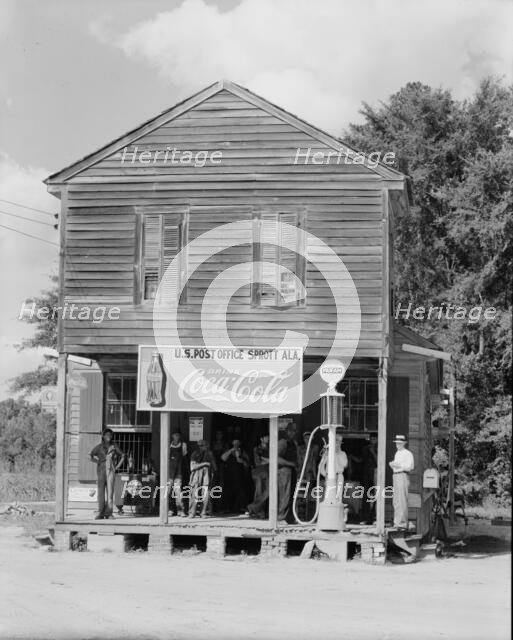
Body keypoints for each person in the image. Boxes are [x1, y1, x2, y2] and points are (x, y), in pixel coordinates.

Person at [89, 428, 124, 520]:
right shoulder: (99, 447)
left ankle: (109, 513)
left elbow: (123, 456)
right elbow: (89, 455)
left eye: (110, 435)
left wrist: (117, 467)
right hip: (100, 471)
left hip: (110, 471)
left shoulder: (114, 446)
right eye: (107, 435)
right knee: (100, 493)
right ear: (103, 436)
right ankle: (100, 513)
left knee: (110, 492)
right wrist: (97, 461)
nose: (109, 436)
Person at [389, 434, 414, 529]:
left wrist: (399, 466)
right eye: (396, 443)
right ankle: (397, 522)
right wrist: (393, 465)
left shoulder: (407, 453)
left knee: (402, 500)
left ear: (404, 443)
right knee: (396, 500)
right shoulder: (397, 453)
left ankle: (402, 523)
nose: (397, 445)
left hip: (403, 475)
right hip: (396, 475)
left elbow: (410, 467)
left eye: (399, 443)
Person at [221, 439, 251, 513]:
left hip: (240, 474)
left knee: (240, 491)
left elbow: (244, 462)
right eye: (234, 443)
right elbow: (223, 458)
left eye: (237, 443)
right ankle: (226, 508)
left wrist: (238, 455)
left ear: (240, 443)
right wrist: (231, 450)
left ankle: (241, 508)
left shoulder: (243, 451)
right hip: (229, 474)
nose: (236, 445)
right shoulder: (228, 450)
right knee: (228, 490)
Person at [188, 440, 217, 518]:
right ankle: (192, 512)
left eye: (204, 445)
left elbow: (214, 467)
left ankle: (204, 512)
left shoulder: (210, 454)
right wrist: (205, 463)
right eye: (200, 445)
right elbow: (192, 467)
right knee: (194, 494)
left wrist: (211, 465)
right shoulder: (195, 454)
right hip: (196, 475)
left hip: (206, 476)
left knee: (206, 494)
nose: (202, 447)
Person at [277, 423, 299, 523]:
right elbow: (276, 458)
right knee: (285, 495)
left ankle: (289, 518)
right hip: (284, 471)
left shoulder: (293, 442)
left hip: (292, 471)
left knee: (291, 495)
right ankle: (281, 517)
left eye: (294, 431)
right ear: (286, 431)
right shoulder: (282, 442)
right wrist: (290, 463)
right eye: (290, 431)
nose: (292, 433)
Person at [318, 428, 348, 501]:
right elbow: (320, 466)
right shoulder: (327, 453)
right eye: (336, 442)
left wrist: (336, 454)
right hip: (330, 477)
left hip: (339, 476)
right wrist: (326, 475)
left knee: (338, 497)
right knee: (328, 497)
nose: (337, 444)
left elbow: (345, 465)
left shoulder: (343, 454)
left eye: (339, 442)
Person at [296, 431, 319, 519]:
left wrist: (315, 475)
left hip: (310, 473)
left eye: (309, 438)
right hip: (301, 473)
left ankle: (308, 514)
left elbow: (314, 460)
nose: (307, 440)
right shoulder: (300, 448)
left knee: (309, 493)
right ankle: (299, 513)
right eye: (306, 438)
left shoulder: (315, 447)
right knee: (300, 494)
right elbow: (299, 461)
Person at [247, 433, 270, 518]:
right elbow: (258, 462)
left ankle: (253, 508)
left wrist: (265, 459)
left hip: (268, 472)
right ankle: (260, 512)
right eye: (266, 437)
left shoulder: (271, 447)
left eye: (269, 437)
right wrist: (270, 460)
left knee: (267, 491)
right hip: (258, 473)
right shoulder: (257, 449)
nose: (268, 438)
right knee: (259, 491)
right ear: (261, 439)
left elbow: (264, 460)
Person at [169, 430, 187, 517]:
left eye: (178, 435)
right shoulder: (169, 444)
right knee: (168, 491)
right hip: (169, 472)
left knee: (178, 492)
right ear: (172, 435)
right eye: (175, 435)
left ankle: (181, 510)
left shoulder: (183, 445)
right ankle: (170, 510)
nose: (177, 436)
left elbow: (184, 455)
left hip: (178, 472)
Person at [360, 433, 378, 524]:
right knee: (366, 495)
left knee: (376, 495)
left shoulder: (379, 448)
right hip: (366, 474)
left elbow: (379, 461)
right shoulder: (365, 448)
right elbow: (361, 461)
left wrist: (373, 452)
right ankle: (365, 518)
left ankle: (374, 517)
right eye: (372, 439)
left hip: (376, 473)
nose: (373, 440)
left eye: (375, 439)